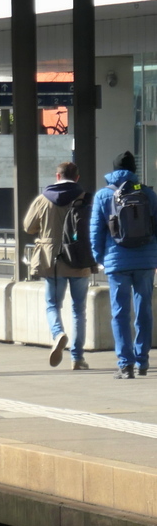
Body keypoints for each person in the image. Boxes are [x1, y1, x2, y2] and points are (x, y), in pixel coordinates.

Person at [89, 151, 157, 379]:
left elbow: (96, 230)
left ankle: (125, 364)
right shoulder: (147, 193)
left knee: (119, 312)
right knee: (144, 310)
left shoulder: (103, 195)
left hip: (116, 261)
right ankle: (143, 360)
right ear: (134, 170)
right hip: (145, 260)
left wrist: (100, 257)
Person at [22, 162, 93, 369]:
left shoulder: (43, 199)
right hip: (80, 259)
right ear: (77, 178)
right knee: (78, 309)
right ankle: (78, 358)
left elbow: (28, 226)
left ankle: (58, 333)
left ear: (57, 176)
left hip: (52, 260)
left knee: (53, 304)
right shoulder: (85, 198)